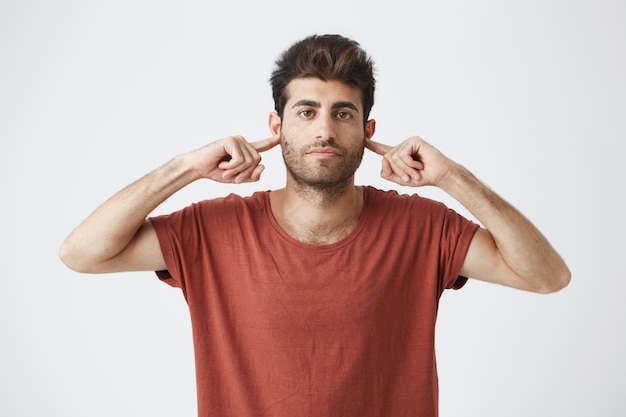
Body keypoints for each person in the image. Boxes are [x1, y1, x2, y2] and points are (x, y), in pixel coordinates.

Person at [59, 34, 570, 416]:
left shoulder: (422, 227)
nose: (324, 130)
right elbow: (82, 253)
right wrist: (185, 168)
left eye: (343, 114)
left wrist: (454, 178)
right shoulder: (212, 230)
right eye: (306, 111)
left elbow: (547, 276)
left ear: (369, 131)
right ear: (276, 127)